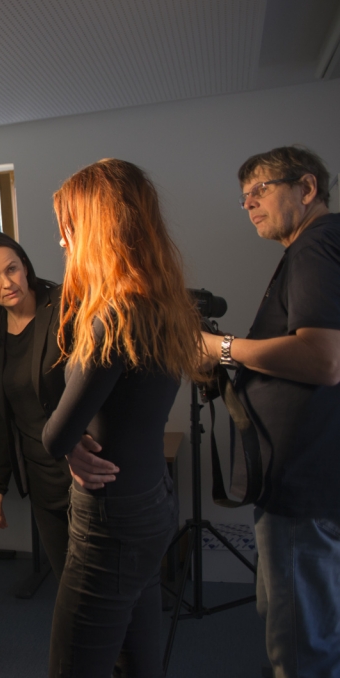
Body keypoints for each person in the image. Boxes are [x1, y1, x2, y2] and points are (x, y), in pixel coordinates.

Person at [42, 159, 201, 677]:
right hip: (151, 498)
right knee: (139, 659)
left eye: (69, 226)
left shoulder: (113, 315)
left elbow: (56, 436)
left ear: (98, 228)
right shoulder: (165, 303)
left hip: (113, 518)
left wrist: (69, 441)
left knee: (74, 665)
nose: (62, 241)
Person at [197, 146, 340, 677]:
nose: (249, 204)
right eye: (244, 197)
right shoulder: (319, 245)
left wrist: (219, 348)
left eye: (260, 190)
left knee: (299, 635)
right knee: (305, 615)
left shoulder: (315, 246)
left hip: (303, 479)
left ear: (306, 188)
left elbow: (322, 359)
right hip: (311, 472)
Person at [0, 231, 72, 578]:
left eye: (11, 269)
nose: (6, 283)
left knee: (98, 586)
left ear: (25, 266)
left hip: (82, 470)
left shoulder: (65, 307)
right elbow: (5, 411)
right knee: (67, 582)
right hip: (42, 479)